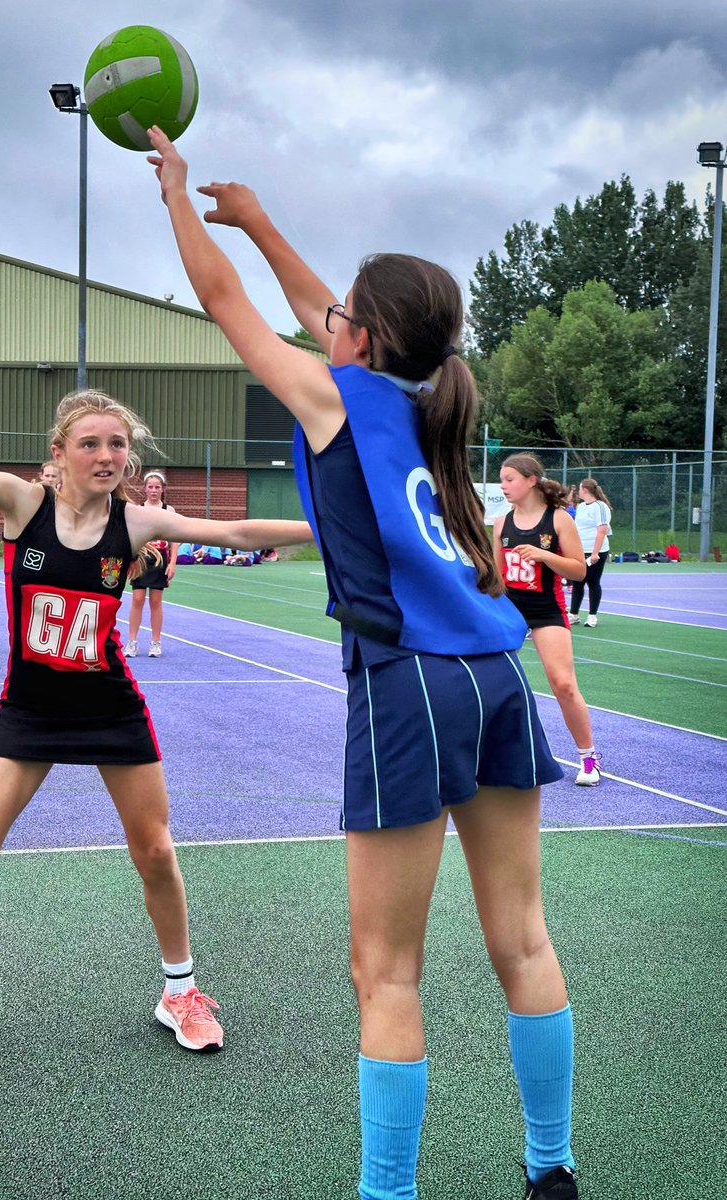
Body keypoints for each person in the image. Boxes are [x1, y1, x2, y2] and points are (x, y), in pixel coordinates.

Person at [146, 128, 578, 1200]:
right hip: (494, 673)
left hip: (410, 681)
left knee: (384, 972)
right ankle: (552, 1169)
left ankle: (388, 1195)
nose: (324, 317)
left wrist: (177, 201)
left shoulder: (336, 397)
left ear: (364, 339)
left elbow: (226, 303)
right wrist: (260, 221)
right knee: (521, 941)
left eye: (342, 316)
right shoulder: (431, 403)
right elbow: (322, 312)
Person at [0, 296, 311, 1054]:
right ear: (60, 451)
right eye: (91, 443)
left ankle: (180, 991)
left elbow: (233, 528)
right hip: (28, 710)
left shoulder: (134, 523)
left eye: (118, 446)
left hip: (108, 703)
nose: (107, 456)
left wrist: (334, 526)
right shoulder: (20, 503)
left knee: (156, 850)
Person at [495, 455, 601, 786]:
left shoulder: (558, 520)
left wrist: (543, 555)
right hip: (509, 610)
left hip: (546, 610)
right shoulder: (501, 523)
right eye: (501, 479)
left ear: (530, 480)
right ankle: (489, 758)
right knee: (488, 684)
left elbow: (579, 570)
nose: (503, 485)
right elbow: (498, 576)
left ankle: (588, 758)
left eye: (509, 479)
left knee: (564, 684)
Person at [126, 470, 178, 658]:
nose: (154, 490)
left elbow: (175, 539)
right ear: (145, 489)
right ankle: (132, 641)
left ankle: (156, 642)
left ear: (163, 489)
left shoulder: (168, 511)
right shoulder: (138, 509)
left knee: (156, 601)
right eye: (150, 487)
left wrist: (172, 563)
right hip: (142, 559)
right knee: (137, 599)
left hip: (160, 561)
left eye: (157, 487)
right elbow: (132, 535)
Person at [569, 480, 612, 629]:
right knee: (577, 582)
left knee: (593, 582)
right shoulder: (580, 507)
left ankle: (592, 615)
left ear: (586, 490)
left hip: (596, 551)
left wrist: (595, 553)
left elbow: (602, 530)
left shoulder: (600, 507)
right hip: (580, 550)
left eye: (579, 489)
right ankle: (573, 614)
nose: (578, 492)